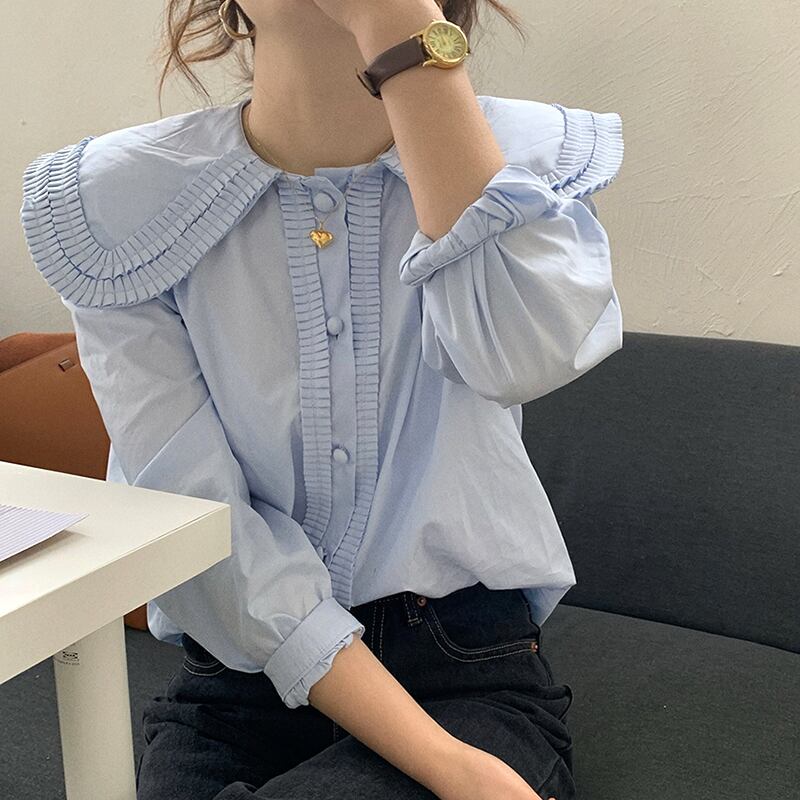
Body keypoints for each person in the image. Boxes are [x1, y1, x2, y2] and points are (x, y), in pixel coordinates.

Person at [19, 1, 624, 798]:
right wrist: (447, 766)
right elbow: (201, 521)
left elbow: (516, 357)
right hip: (235, 685)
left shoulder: (522, 166)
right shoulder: (120, 205)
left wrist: (399, 32)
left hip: (466, 675)